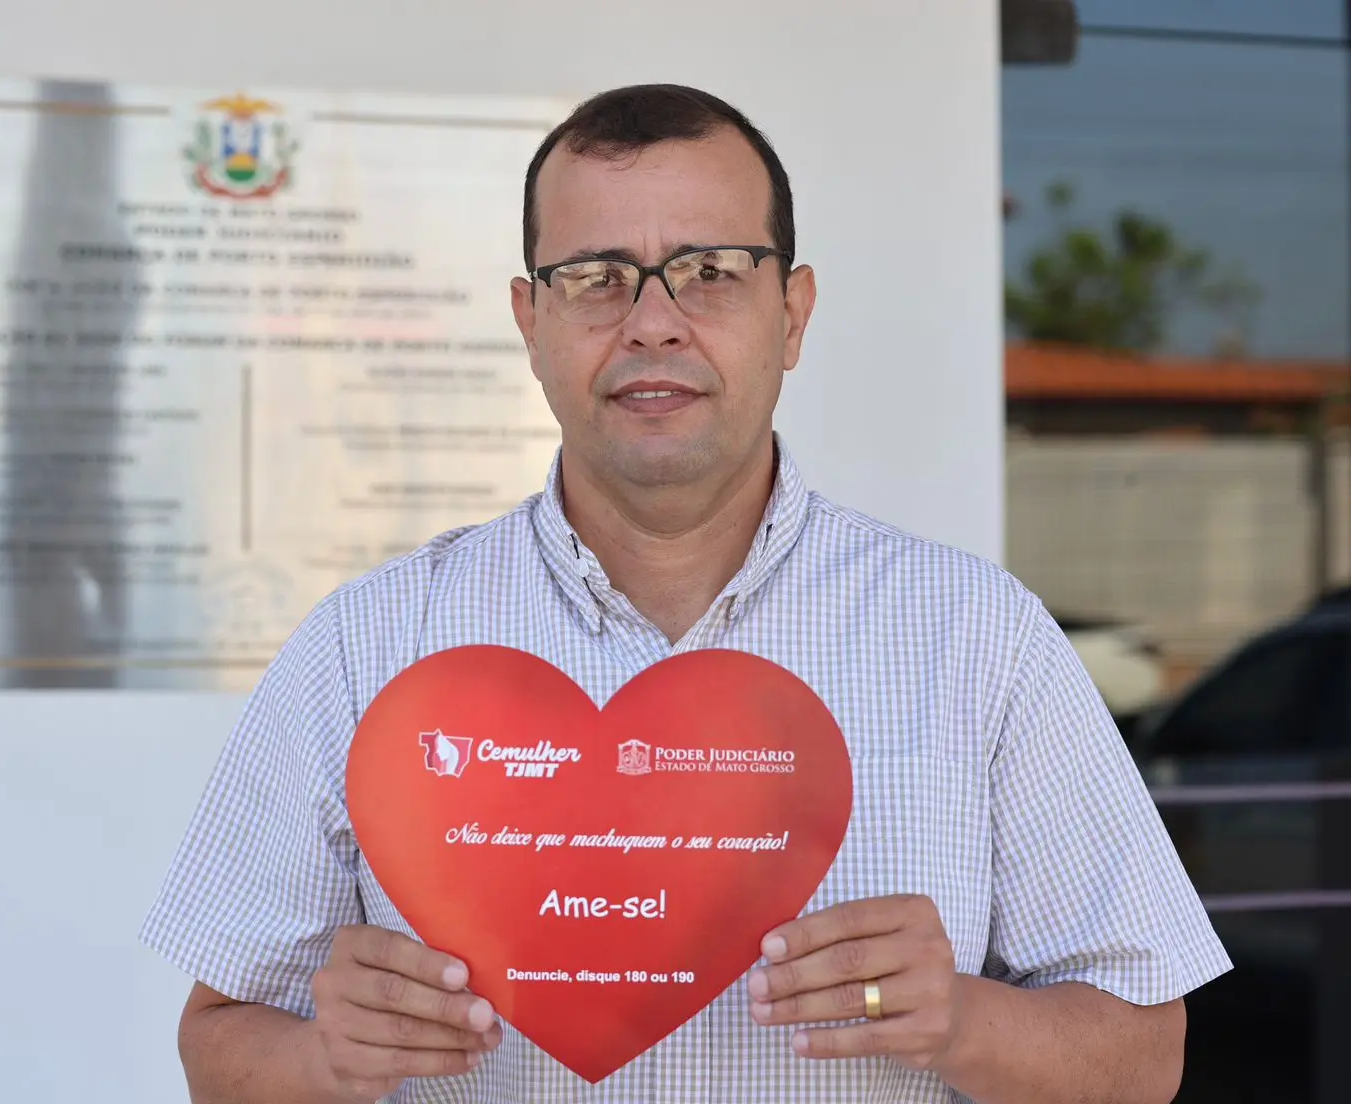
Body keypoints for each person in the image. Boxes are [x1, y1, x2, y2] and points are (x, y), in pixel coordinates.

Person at [142, 84, 1230, 1103]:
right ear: (530, 324)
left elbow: (1145, 1053)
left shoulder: (973, 635)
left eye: (710, 270)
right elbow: (217, 1040)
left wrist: (961, 1021)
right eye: (595, 276)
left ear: (792, 313)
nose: (652, 322)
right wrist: (323, 1059)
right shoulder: (369, 644)